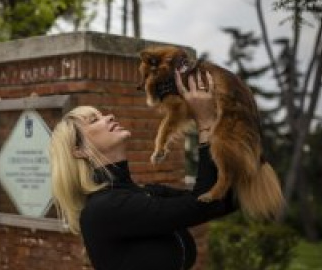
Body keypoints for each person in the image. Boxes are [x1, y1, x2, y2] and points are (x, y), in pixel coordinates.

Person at [49, 70, 237, 270]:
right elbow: (202, 205)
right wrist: (206, 122)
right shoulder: (104, 209)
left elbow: (221, 202)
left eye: (102, 115)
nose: (109, 117)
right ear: (79, 150)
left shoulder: (145, 193)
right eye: (94, 120)